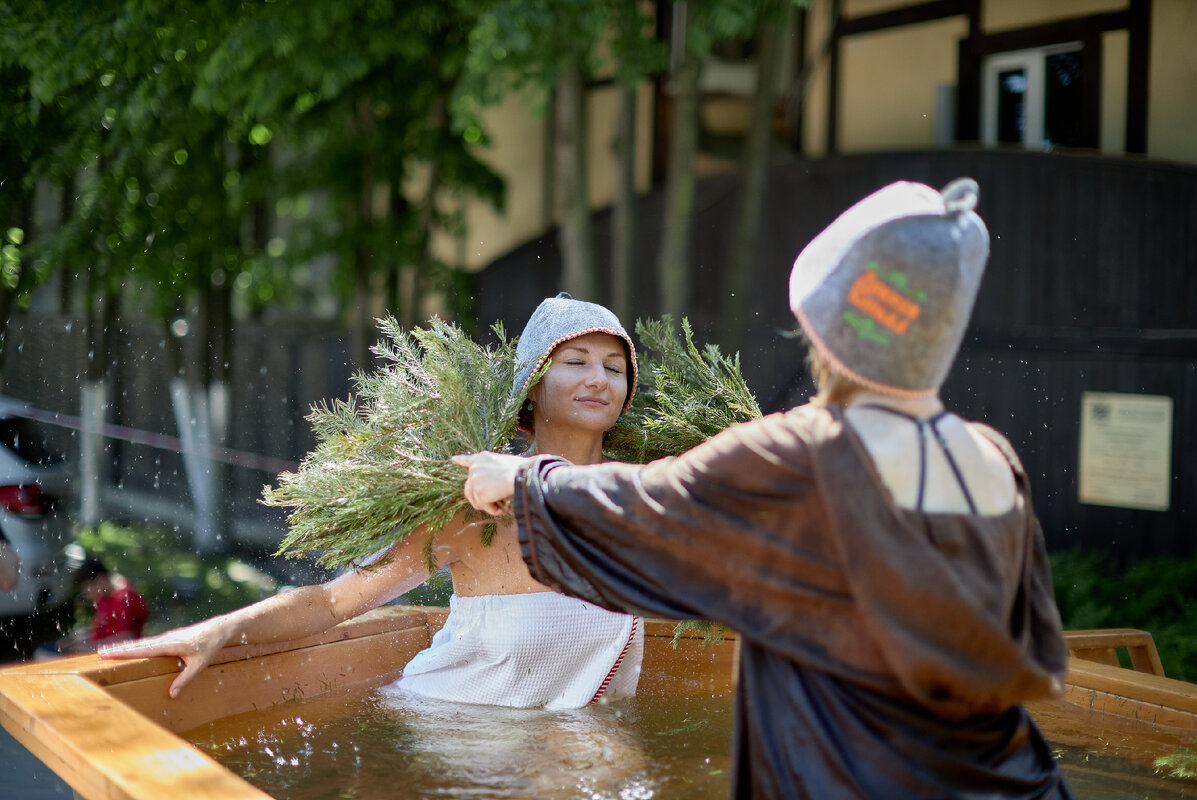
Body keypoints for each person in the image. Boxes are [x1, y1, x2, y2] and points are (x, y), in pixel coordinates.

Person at [455, 180, 1073, 798]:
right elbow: (1036, 659)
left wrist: (519, 477)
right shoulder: (993, 460)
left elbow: (644, 514)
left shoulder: (798, 452)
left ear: (828, 326)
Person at [103, 294, 644, 711]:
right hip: (459, 741)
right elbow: (335, 602)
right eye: (576, 361)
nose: (599, 379)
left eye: (614, 368)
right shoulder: (476, 503)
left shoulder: (640, 503)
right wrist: (221, 630)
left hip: (565, 752)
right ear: (531, 384)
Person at [55, 557, 149, 654]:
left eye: (86, 586)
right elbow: (102, 633)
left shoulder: (123, 599)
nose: (85, 592)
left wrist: (87, 647)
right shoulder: (103, 600)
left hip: (121, 658)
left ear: (100, 579)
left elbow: (128, 638)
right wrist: (76, 641)